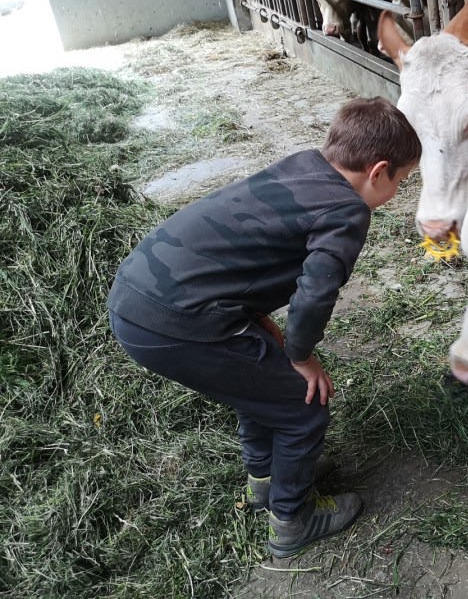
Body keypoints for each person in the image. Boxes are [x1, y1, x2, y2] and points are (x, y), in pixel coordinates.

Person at [107, 96, 421, 558]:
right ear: (378, 172)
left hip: (139, 294)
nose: (399, 190)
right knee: (302, 405)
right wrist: (301, 356)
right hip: (177, 322)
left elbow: (243, 244)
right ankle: (293, 519)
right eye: (403, 180)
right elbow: (315, 294)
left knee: (259, 385)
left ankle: (267, 480)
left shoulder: (302, 167)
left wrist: (258, 320)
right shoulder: (347, 210)